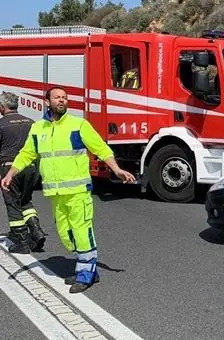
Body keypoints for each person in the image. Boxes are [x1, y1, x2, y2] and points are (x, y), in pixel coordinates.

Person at [0, 86, 135, 294]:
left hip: (78, 191)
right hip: (55, 194)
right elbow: (27, 154)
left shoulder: (78, 125)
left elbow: (100, 148)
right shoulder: (38, 128)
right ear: (47, 102)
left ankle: (86, 274)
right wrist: (10, 174)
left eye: (64, 98)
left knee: (82, 231)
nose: (62, 101)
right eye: (57, 98)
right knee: (65, 235)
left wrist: (116, 169)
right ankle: (88, 266)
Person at [0, 92, 46, 254]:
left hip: (10, 168)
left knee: (12, 202)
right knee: (25, 201)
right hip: (31, 167)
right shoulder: (31, 123)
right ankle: (36, 230)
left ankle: (22, 241)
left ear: (2, 107)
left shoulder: (2, 124)